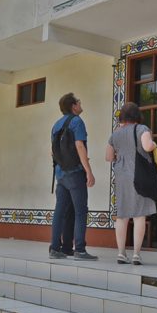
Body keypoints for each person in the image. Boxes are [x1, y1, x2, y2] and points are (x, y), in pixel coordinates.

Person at [106, 102, 157, 265]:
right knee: (139, 215)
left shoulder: (116, 134)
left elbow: (108, 157)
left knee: (122, 216)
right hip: (138, 175)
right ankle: (136, 254)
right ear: (137, 116)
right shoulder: (142, 129)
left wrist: (121, 156)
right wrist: (155, 145)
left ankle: (121, 253)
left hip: (121, 177)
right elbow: (148, 146)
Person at [50, 93, 97, 260]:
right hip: (75, 173)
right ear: (73, 106)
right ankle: (80, 250)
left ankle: (56, 248)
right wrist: (89, 171)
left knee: (60, 211)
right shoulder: (77, 121)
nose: (80, 103)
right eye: (78, 101)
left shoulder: (56, 125)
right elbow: (79, 145)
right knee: (80, 211)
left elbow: (53, 151)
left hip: (60, 174)